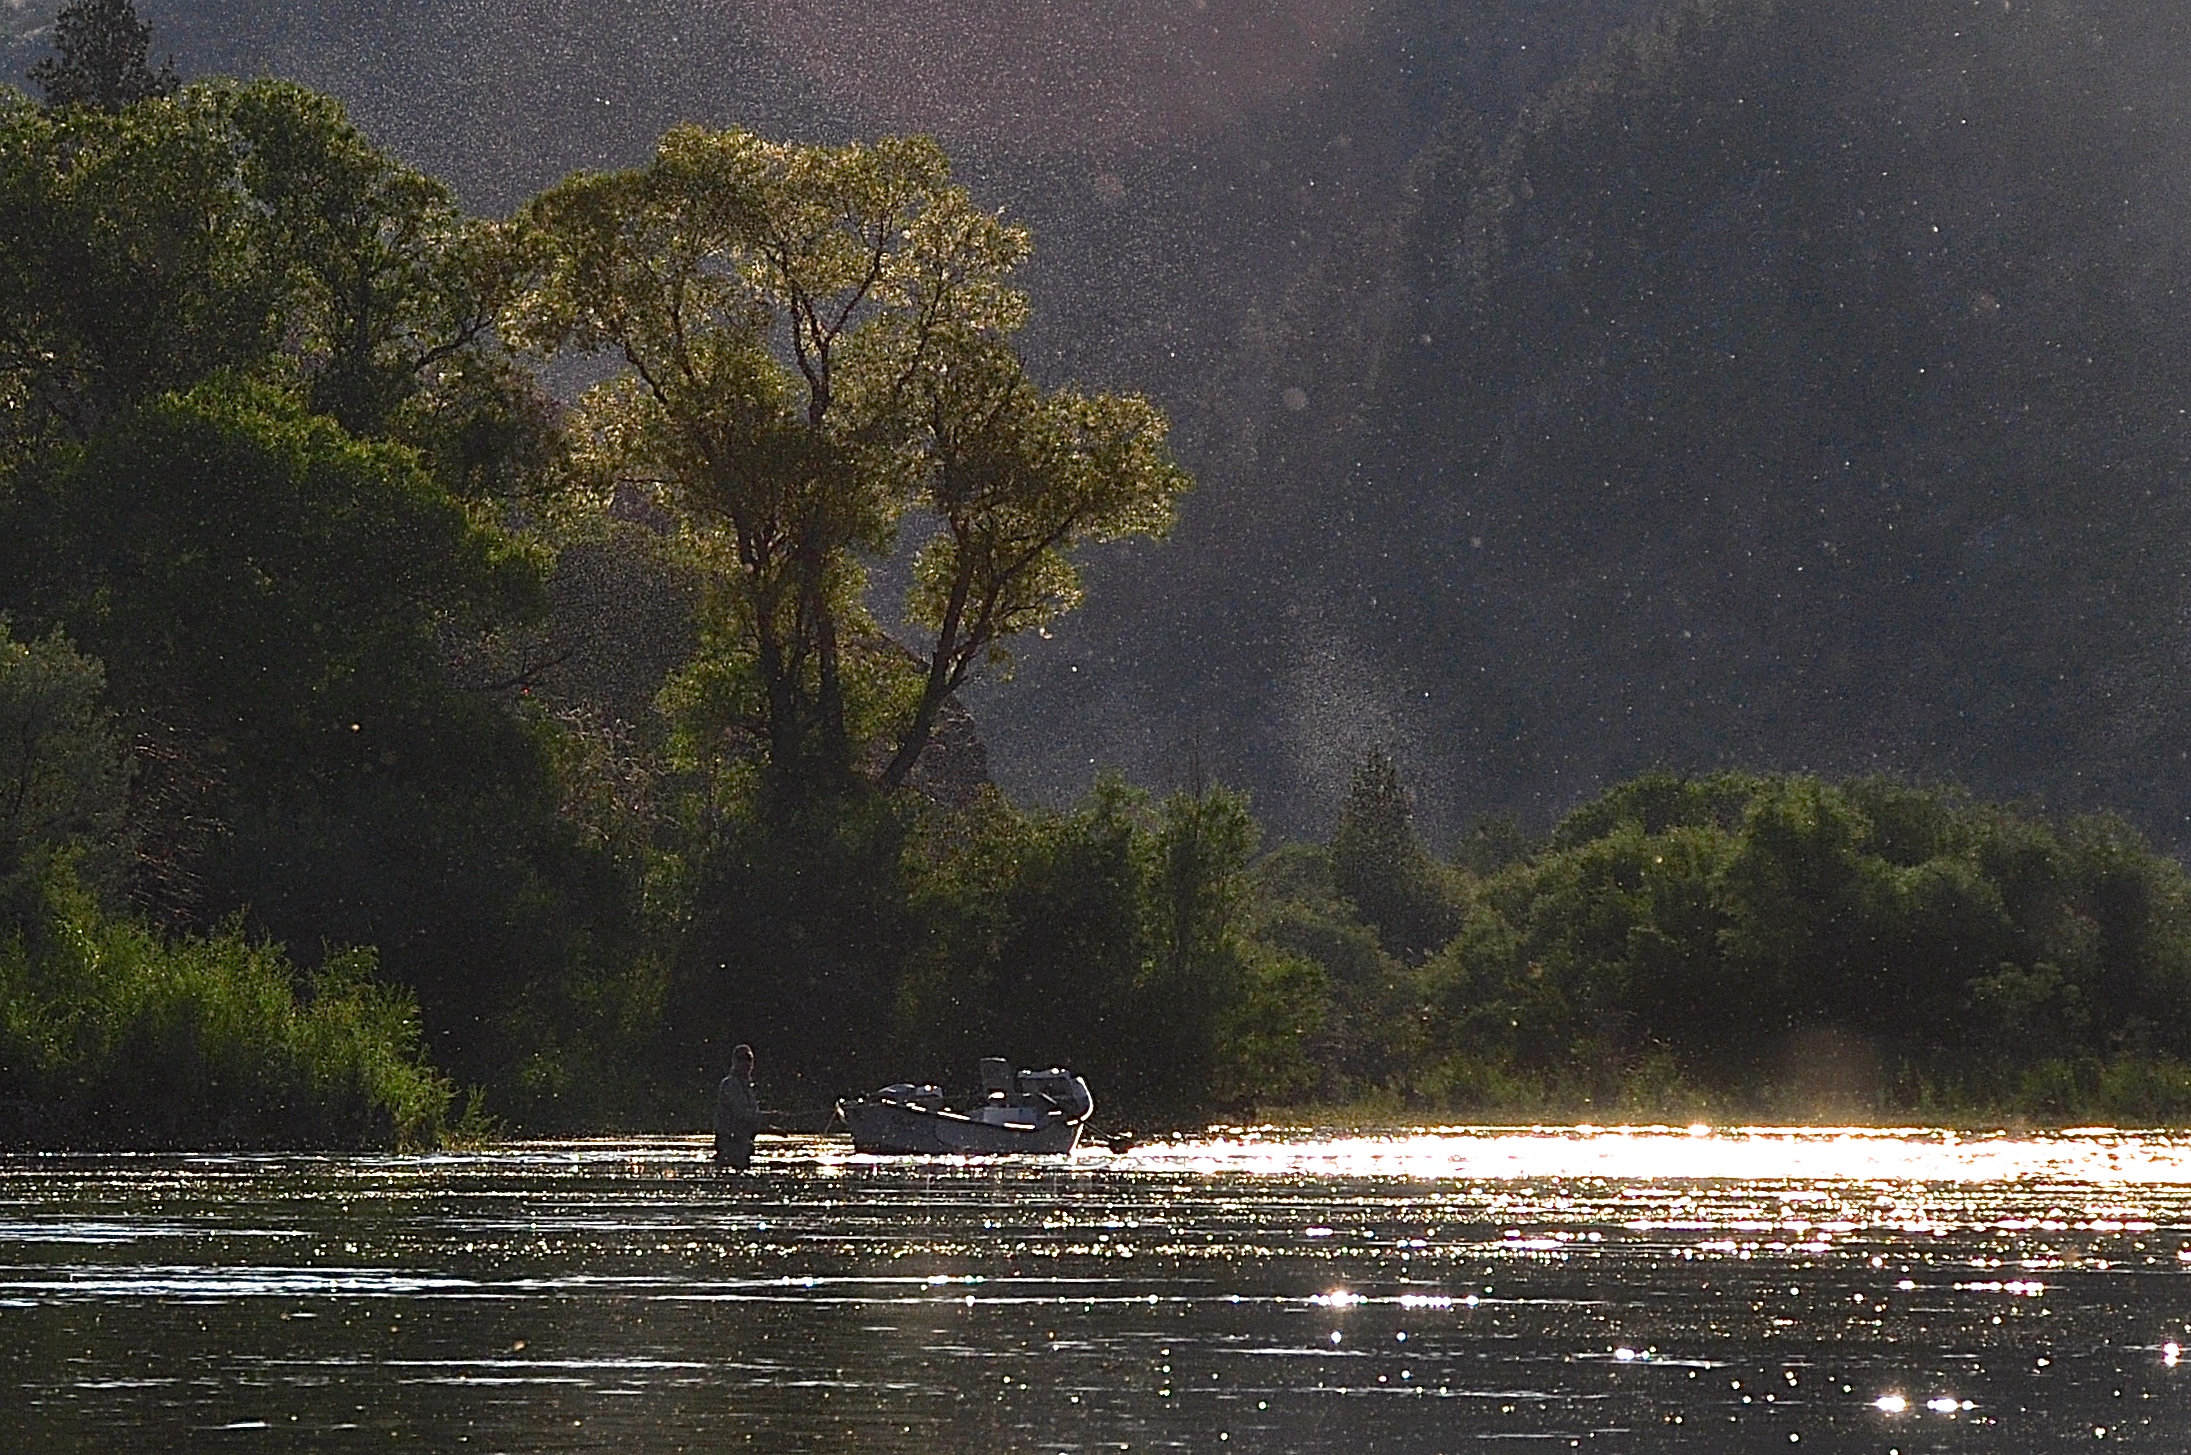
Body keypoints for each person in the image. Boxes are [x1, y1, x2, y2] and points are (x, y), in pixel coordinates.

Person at [714, 1044, 761, 1170]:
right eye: (741, 1059)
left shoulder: (746, 1086)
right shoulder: (730, 1084)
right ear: (734, 1061)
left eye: (749, 1060)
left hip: (743, 1146)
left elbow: (751, 1117)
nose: (745, 1063)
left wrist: (772, 1127)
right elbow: (742, 1114)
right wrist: (770, 1116)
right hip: (730, 1146)